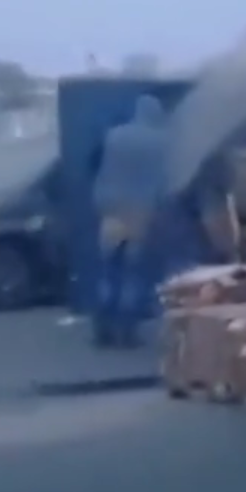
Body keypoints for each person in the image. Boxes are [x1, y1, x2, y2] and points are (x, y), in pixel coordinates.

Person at [91, 95, 169, 348]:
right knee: (133, 274)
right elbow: (164, 179)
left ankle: (103, 330)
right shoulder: (162, 141)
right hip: (141, 210)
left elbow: (97, 167)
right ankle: (127, 332)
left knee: (110, 271)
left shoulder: (114, 135)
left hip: (111, 210)